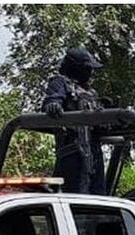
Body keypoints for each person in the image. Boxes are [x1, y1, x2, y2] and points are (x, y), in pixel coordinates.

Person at [41, 47, 106, 195]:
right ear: (76, 68)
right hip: (72, 151)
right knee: (74, 195)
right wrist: (53, 106)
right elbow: (51, 101)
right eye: (88, 68)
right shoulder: (61, 83)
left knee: (98, 195)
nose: (91, 73)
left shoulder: (91, 92)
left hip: (94, 152)